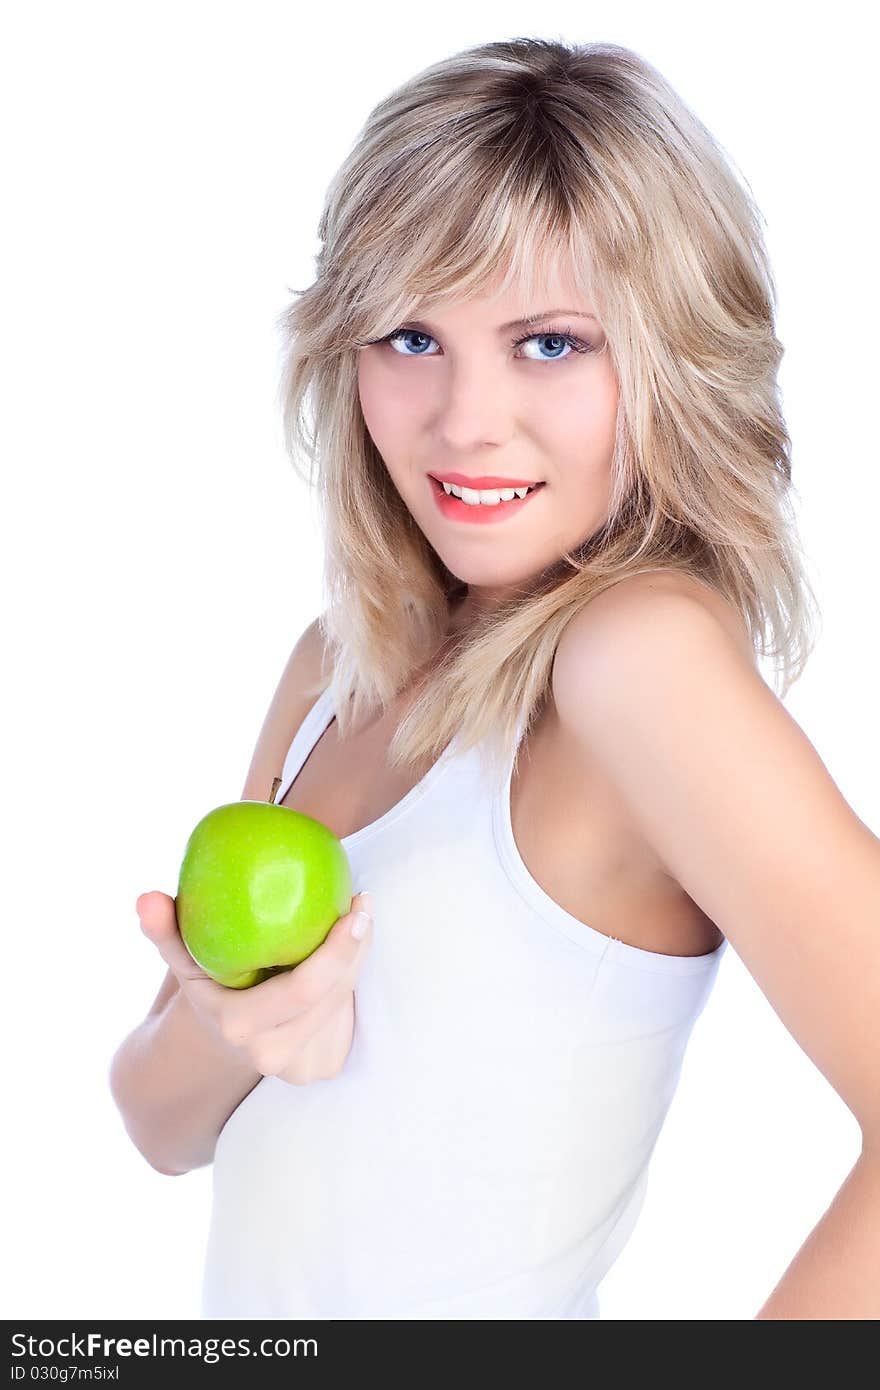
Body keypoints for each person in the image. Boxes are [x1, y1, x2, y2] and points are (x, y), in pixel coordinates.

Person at [109, 37, 880, 1320]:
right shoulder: (336, 663)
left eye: (550, 344)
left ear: (672, 357)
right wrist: (226, 1023)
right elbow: (158, 1126)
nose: (464, 419)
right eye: (411, 335)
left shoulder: (630, 660)